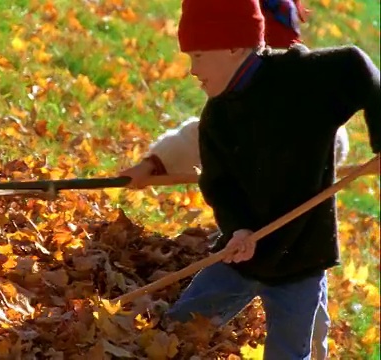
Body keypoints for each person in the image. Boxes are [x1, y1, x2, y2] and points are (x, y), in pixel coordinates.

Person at [122, 0, 381, 359]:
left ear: (233, 47)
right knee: (176, 330)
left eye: (198, 56)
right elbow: (218, 185)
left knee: (291, 351)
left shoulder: (303, 78)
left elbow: (360, 67)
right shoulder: (217, 116)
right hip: (241, 256)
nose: (192, 71)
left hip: (300, 259)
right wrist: (238, 228)